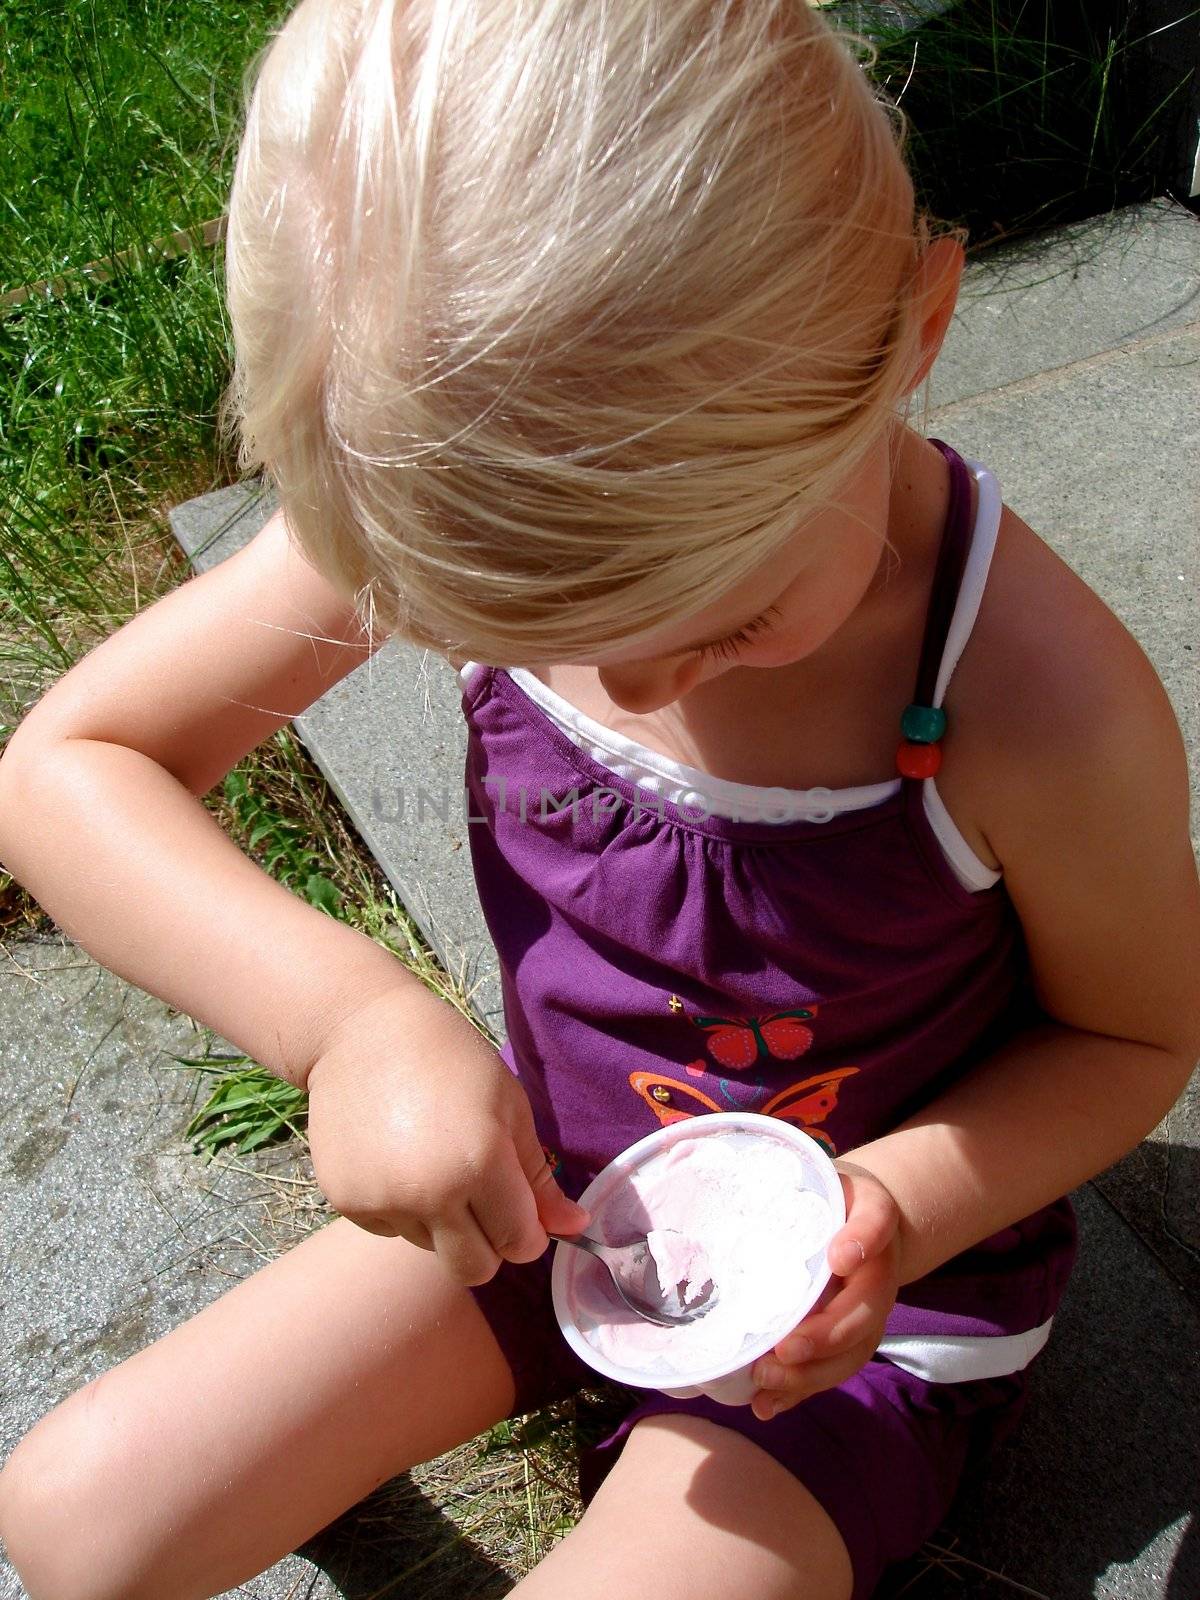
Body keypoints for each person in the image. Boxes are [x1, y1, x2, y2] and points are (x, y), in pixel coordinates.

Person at [0, 1, 1196, 1597]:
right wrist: (347, 1022)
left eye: (719, 620)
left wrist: (897, 1207)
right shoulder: (486, 489)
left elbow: (1135, 1038)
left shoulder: (1033, 702)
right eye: (525, 638)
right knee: (83, 1519)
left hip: (864, 1304)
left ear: (911, 333)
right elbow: (73, 769)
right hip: (562, 1179)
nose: (623, 684)